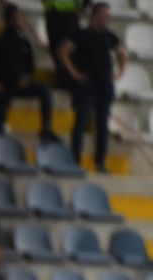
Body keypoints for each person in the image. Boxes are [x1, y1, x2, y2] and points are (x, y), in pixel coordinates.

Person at [59, 3, 126, 175]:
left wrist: (119, 72)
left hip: (103, 82)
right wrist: (74, 72)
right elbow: (64, 51)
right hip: (86, 81)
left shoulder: (109, 35)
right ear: (95, 15)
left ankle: (100, 161)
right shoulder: (81, 34)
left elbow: (121, 53)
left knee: (102, 124)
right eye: (103, 15)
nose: (106, 19)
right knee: (81, 120)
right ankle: (74, 159)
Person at [0, 4, 55, 140]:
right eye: (16, 19)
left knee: (45, 91)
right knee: (0, 109)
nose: (20, 22)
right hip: (2, 86)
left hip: (20, 84)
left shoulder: (23, 41)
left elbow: (30, 65)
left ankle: (46, 127)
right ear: (9, 20)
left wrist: (26, 78)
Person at [42, 0, 83, 91]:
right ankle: (63, 80)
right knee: (56, 50)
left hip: (68, 14)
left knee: (69, 48)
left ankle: (70, 80)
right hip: (53, 14)